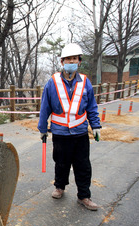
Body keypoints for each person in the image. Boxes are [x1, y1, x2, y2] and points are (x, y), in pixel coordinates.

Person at [37, 43, 102, 211]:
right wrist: (42, 128)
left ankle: (84, 196)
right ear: (62, 61)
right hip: (60, 132)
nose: (71, 62)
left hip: (80, 131)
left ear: (79, 62)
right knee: (61, 163)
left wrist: (95, 125)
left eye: (74, 59)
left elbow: (92, 107)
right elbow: (45, 107)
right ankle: (59, 187)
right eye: (68, 59)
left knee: (83, 165)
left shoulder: (85, 82)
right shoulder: (52, 83)